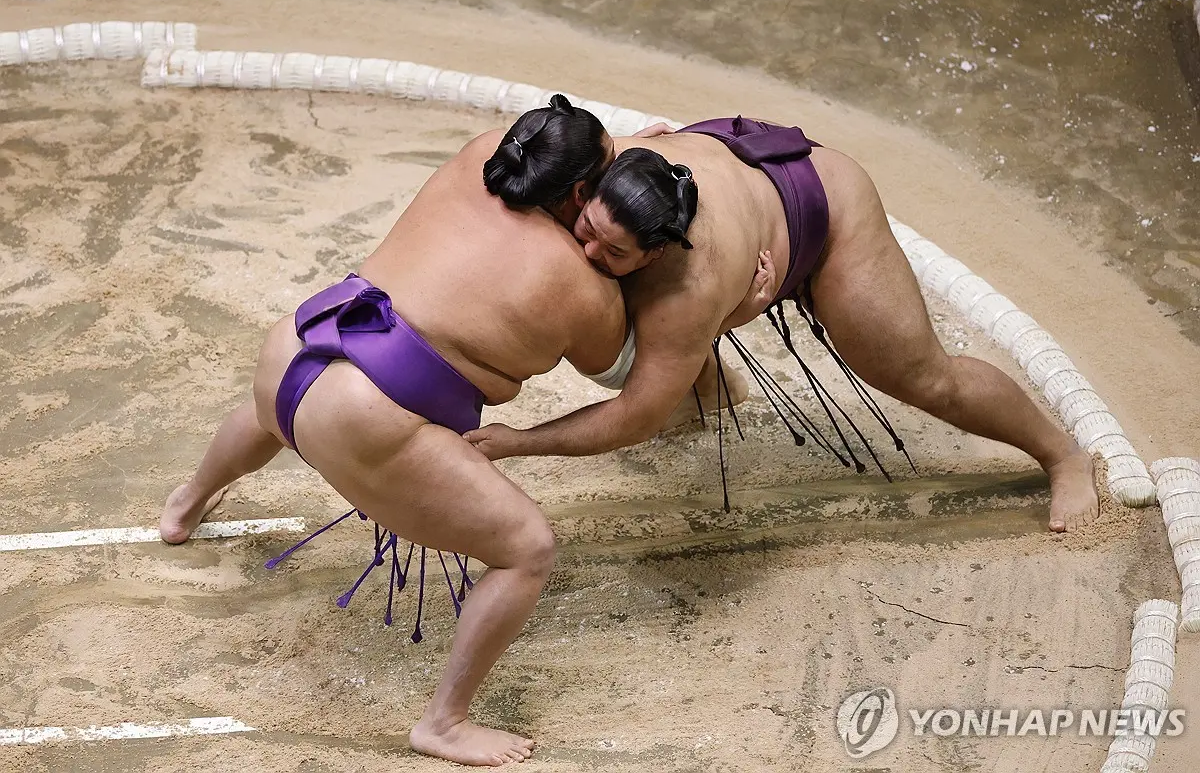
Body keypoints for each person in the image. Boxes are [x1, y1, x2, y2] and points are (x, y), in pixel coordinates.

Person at [158, 97, 636, 767]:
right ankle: (444, 722)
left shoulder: (483, 154)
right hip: (365, 414)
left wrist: (628, 147)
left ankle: (185, 504)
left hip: (298, 344)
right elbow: (621, 368)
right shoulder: (583, 289)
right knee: (527, 548)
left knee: (273, 416)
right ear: (581, 193)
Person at [466, 114, 1100, 533]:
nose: (587, 254)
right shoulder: (603, 163)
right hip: (732, 171)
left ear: (656, 252)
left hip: (822, 210)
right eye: (587, 230)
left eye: (615, 252)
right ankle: (717, 391)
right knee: (650, 317)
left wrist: (521, 441)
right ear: (587, 192)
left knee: (921, 375)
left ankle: (1060, 454)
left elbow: (637, 413)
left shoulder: (685, 288)